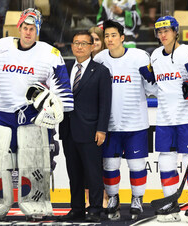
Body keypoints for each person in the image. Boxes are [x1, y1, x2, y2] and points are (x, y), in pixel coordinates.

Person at [0, 8, 73, 220]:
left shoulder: (50, 54)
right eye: (25, 28)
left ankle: (36, 203)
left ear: (38, 30)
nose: (28, 32)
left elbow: (62, 90)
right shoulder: (0, 47)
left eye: (32, 29)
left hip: (31, 118)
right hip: (0, 115)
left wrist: (54, 110)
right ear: (19, 27)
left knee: (35, 163)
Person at [146, 15, 188, 223]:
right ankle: (170, 203)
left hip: (187, 118)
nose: (163, 35)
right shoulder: (156, 55)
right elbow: (155, 86)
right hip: (165, 119)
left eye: (167, 30)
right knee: (165, 160)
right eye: (159, 32)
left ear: (176, 31)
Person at [93, 19, 156, 220]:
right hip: (109, 126)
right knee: (110, 166)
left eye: (114, 35)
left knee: (137, 165)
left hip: (136, 124)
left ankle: (137, 198)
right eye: (107, 36)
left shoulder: (139, 57)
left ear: (122, 38)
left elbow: (153, 88)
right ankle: (113, 198)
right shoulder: (100, 59)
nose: (110, 39)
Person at [59, 30, 112, 222]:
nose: (79, 46)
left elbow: (105, 104)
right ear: (71, 46)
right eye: (76, 43)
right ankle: (77, 208)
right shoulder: (63, 69)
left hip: (91, 131)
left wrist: (101, 129)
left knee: (93, 172)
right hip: (68, 130)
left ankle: (96, 208)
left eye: (84, 43)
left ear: (92, 47)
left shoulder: (101, 71)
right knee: (74, 173)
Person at [85, 26, 109, 209]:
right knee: (87, 162)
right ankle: (88, 198)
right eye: (91, 39)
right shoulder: (80, 64)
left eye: (97, 40)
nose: (94, 44)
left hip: (105, 118)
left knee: (105, 162)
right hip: (87, 120)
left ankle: (106, 196)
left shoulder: (109, 64)